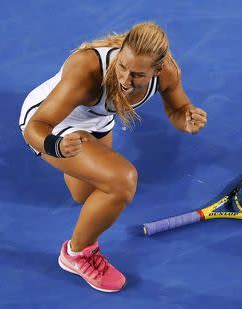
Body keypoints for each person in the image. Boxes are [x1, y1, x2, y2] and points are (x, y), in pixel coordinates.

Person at [19, 22, 207, 292]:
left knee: (86, 196)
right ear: (120, 53)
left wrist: (187, 120)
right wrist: (57, 146)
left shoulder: (167, 73)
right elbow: (36, 127)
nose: (125, 80)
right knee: (121, 181)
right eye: (122, 67)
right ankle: (76, 254)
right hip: (50, 125)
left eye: (138, 75)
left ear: (157, 69)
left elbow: (178, 109)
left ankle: (82, 162)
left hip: (95, 121)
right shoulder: (87, 70)